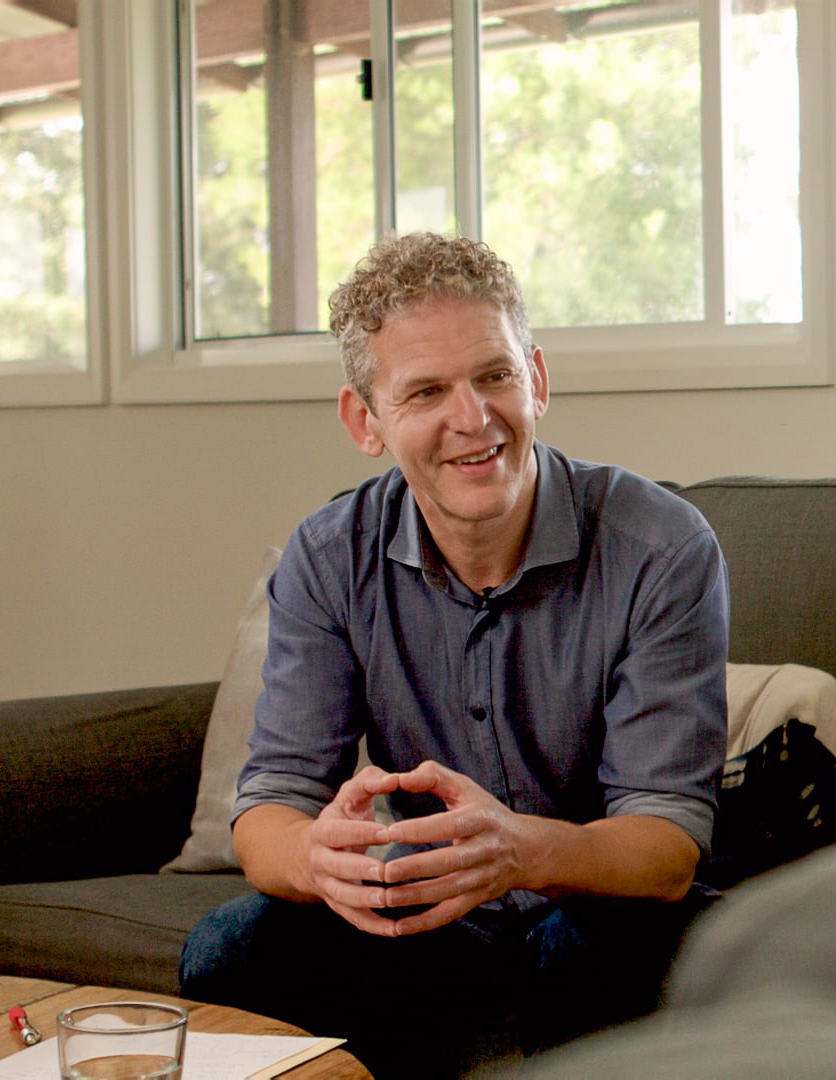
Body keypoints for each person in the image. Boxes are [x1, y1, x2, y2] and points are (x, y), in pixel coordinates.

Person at [179, 233, 730, 1077]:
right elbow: (269, 813)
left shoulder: (660, 547)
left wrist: (517, 850)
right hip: (429, 918)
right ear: (365, 422)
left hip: (606, 906)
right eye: (426, 392)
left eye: (494, 375)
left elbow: (666, 849)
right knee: (230, 950)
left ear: (536, 380)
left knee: (580, 950)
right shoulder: (329, 557)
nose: (472, 419)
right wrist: (318, 858)